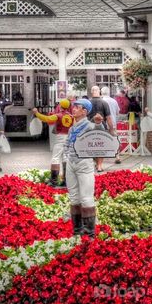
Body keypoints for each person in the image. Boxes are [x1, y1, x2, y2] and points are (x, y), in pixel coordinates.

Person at [64, 98, 104, 237]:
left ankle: (89, 234)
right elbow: (67, 144)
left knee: (86, 198)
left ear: (84, 111)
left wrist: (99, 123)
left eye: (77, 107)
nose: (73, 109)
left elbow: (100, 134)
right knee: (74, 197)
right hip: (71, 163)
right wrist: (66, 156)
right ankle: (77, 231)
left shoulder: (89, 126)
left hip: (84, 163)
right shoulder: (72, 127)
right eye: (73, 107)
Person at [32, 92, 77, 187]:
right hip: (68, 137)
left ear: (60, 106)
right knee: (66, 158)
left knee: (55, 158)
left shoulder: (58, 115)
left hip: (60, 137)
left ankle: (54, 181)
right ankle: (66, 180)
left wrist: (37, 113)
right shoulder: (71, 117)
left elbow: (46, 119)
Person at [89, 86, 113, 171]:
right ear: (99, 91)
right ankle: (99, 166)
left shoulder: (88, 103)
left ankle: (96, 163)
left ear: (92, 92)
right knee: (101, 146)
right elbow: (109, 118)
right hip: (101, 127)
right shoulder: (104, 103)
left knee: (91, 146)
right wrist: (111, 129)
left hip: (89, 128)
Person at [100, 86, 122, 164]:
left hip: (102, 124)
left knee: (101, 141)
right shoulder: (114, 101)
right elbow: (117, 112)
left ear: (101, 92)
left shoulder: (101, 101)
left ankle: (100, 161)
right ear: (109, 92)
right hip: (113, 123)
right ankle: (117, 156)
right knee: (114, 140)